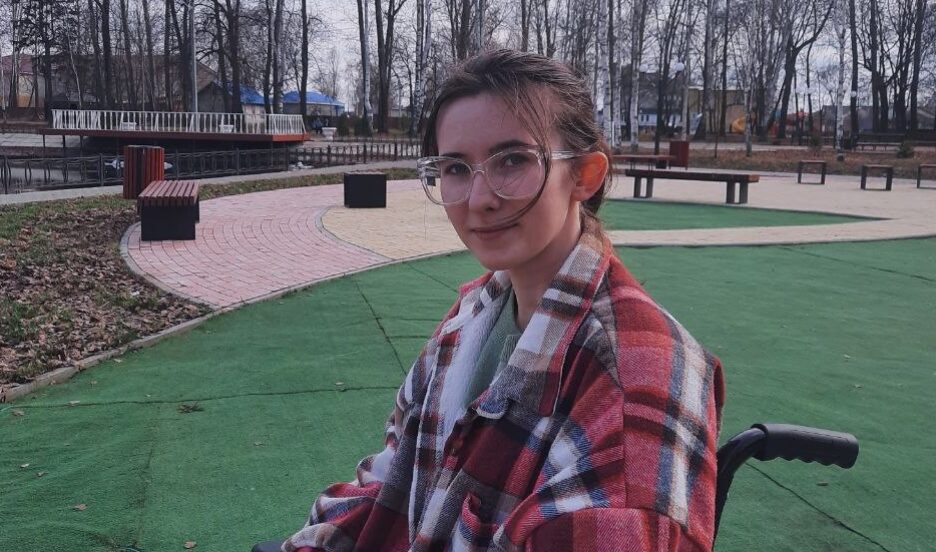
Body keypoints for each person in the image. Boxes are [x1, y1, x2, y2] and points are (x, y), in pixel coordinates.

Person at [284, 49, 724, 552]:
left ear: (584, 175)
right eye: (455, 167)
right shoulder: (476, 311)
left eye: (512, 160)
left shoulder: (634, 380)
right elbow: (395, 475)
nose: (478, 199)